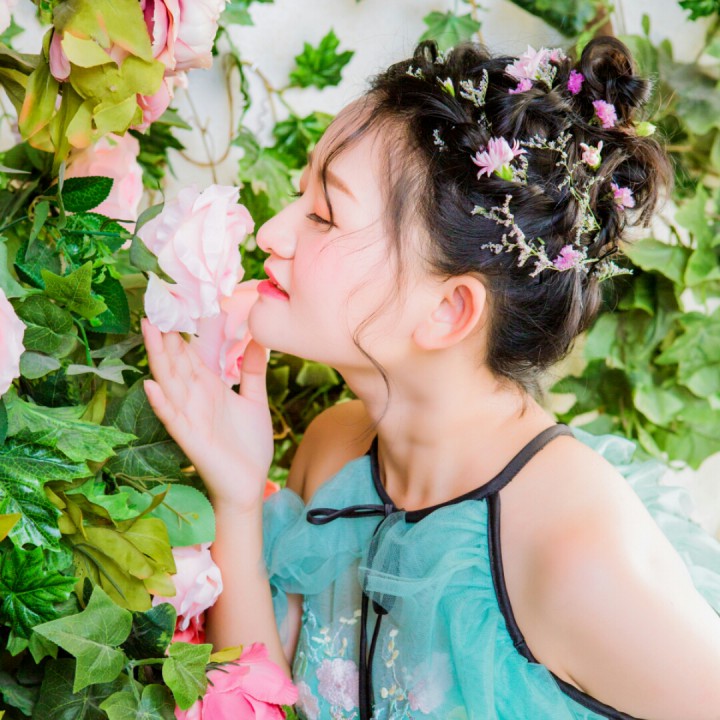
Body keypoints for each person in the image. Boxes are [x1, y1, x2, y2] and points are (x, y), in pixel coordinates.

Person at [141, 36, 720, 720]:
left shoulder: (579, 557)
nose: (272, 233)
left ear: (449, 310)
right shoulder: (332, 451)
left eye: (324, 214)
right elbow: (259, 698)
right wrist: (238, 498)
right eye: (302, 196)